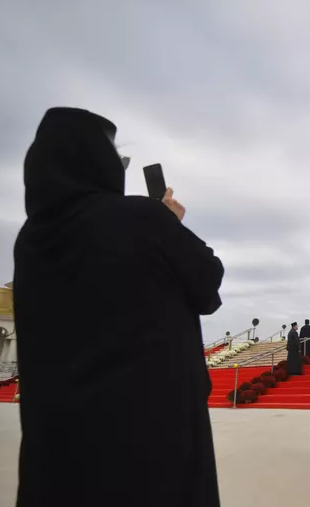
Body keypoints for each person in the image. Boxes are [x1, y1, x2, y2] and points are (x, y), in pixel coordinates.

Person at [13, 108, 224, 506]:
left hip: (54, 451)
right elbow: (207, 281)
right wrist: (169, 222)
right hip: (146, 447)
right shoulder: (142, 218)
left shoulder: (29, 241)